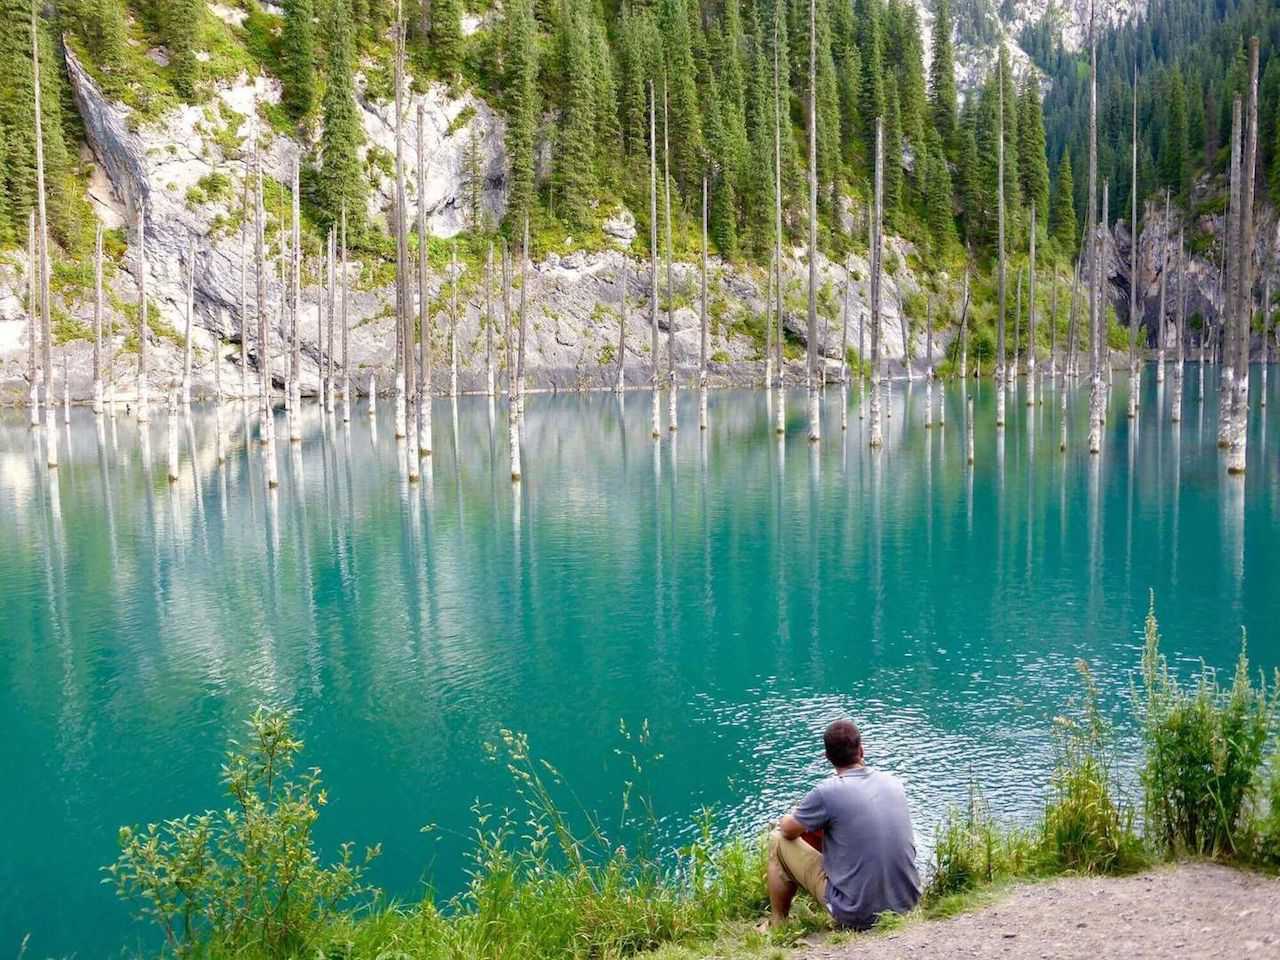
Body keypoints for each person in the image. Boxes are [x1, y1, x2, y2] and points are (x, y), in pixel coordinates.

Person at [765, 718, 920, 930]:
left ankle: (777, 924)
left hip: (855, 914)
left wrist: (784, 819)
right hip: (907, 904)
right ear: (862, 750)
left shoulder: (827, 791)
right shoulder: (893, 783)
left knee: (777, 839)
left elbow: (789, 831)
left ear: (827, 757)